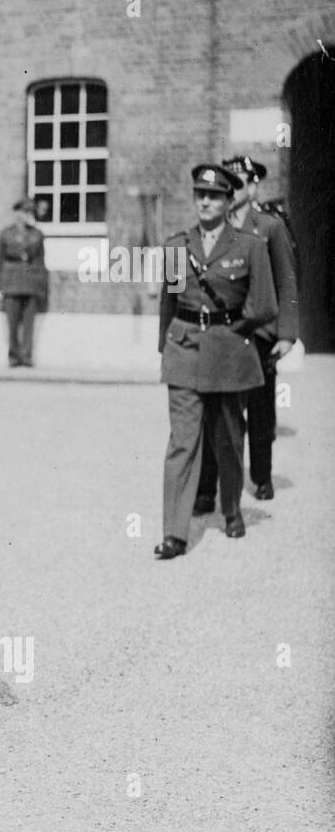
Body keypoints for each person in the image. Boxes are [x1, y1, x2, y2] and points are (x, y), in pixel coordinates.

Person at [154, 164, 277, 560]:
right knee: (182, 442)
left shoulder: (250, 246)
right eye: (199, 195)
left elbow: (265, 305)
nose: (205, 201)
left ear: (228, 201)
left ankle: (230, 509)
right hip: (185, 350)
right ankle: (175, 533)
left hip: (228, 353)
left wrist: (233, 327)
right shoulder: (177, 247)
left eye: (215, 196)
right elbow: (168, 303)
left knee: (227, 438)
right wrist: (165, 349)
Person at [193, 155, 298, 509]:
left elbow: (286, 280)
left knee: (260, 407)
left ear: (252, 187)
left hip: (261, 332)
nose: (233, 190)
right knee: (214, 409)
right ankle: (207, 487)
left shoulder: (269, 226)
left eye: (239, 183)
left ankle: (262, 476)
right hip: (224, 330)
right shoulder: (212, 227)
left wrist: (286, 333)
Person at [0, 198, 48, 367]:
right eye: (23, 212)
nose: (26, 216)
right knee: (12, 323)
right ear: (16, 213)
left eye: (29, 212)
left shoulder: (37, 234)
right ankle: (13, 357)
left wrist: (41, 287)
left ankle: (26, 357)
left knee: (28, 324)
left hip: (30, 283)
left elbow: (40, 262)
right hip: (11, 283)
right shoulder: (6, 234)